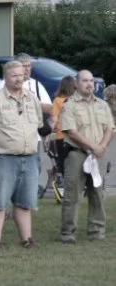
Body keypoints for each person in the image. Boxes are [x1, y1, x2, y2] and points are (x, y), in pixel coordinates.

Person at [0, 61, 43, 250]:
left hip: (28, 157)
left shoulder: (32, 99)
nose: (19, 78)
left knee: (25, 201)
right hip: (1, 158)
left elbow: (37, 124)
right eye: (14, 75)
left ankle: (27, 239)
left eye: (21, 75)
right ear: (5, 77)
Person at [59, 70, 114, 243]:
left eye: (91, 81)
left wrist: (102, 147)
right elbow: (72, 132)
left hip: (98, 155)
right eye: (85, 81)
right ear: (76, 83)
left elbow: (110, 128)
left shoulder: (102, 105)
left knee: (97, 194)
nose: (89, 84)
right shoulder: (70, 105)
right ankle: (68, 233)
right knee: (72, 195)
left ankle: (97, 232)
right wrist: (93, 147)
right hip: (77, 154)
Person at [51, 76, 76, 176]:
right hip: (76, 136)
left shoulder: (57, 100)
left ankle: (64, 185)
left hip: (61, 136)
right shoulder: (76, 100)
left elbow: (54, 118)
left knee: (63, 163)